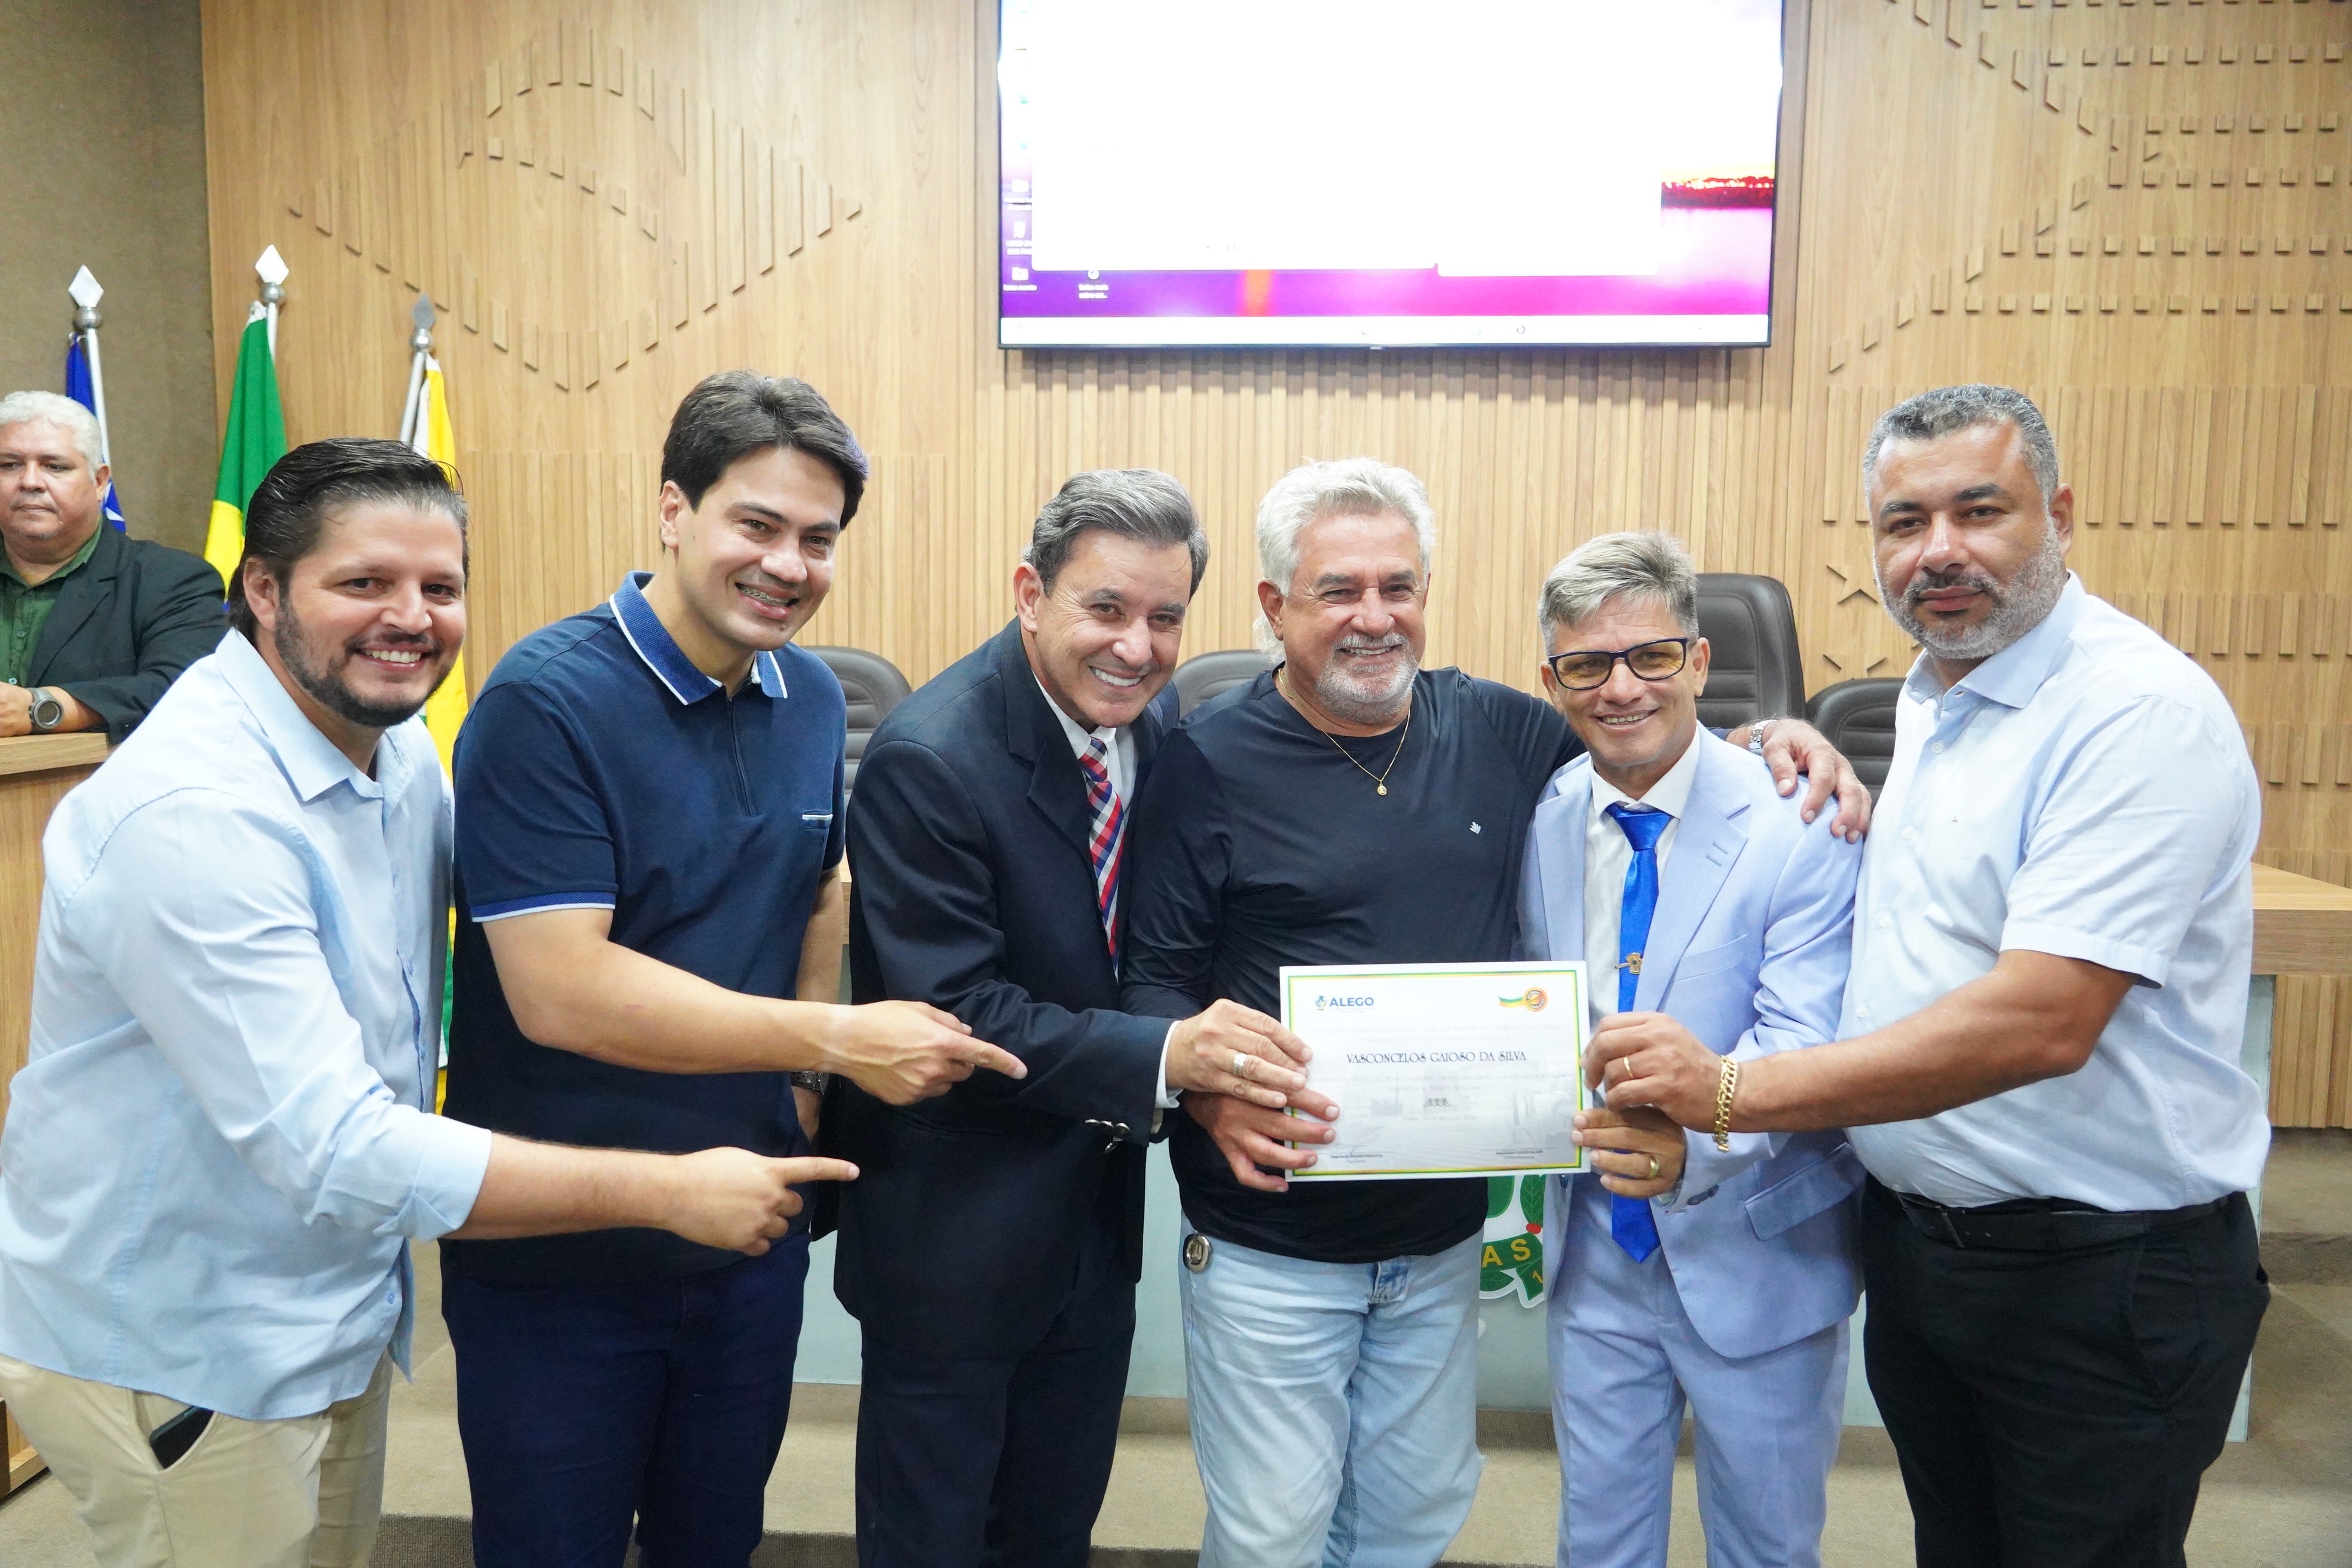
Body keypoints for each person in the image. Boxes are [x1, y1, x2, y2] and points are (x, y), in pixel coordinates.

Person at [0, 438, 852, 1568]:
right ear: (264, 590)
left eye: (439, 587)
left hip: (324, 1311)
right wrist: (667, 1188)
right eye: (364, 582)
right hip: (183, 1340)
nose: (409, 619)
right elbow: (336, 1144)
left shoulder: (394, 753)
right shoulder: (194, 812)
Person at [1117, 457, 1870, 1568]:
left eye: (1398, 586)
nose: (1375, 616)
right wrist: (1204, 1097)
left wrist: (1775, 736)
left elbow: (1650, 741)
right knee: (1273, 1534)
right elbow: (1154, 979)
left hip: (1437, 1243)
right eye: (1339, 590)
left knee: (1412, 1520)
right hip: (1271, 1237)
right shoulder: (1202, 758)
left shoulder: (1507, 737)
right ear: (1274, 605)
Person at [1591, 384, 2270, 1568]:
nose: (1937, 550)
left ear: (2060, 514)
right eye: (1904, 522)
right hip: (1927, 1259)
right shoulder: (1939, 697)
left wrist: (1731, 1091)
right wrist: (1767, 748)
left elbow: (2041, 1019)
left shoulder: (2133, 711)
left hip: (2099, 1281)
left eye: (1979, 510)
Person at [439, 371, 1019, 1568]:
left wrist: (798, 1088)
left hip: (744, 1233)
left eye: (818, 538)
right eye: (756, 524)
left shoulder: (811, 697)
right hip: (564, 1247)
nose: (788, 565)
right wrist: (835, 1040)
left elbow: (819, 889)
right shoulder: (545, 701)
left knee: (716, 1541)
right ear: (673, 509)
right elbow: (559, 990)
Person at [831, 469, 1327, 1568]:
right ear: (1030, 593)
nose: (1137, 647)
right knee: (930, 1543)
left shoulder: (1154, 722)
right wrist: (1172, 1053)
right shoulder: (929, 757)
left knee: (1053, 1534)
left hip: (1090, 1232)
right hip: (952, 1242)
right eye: (1106, 608)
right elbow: (960, 1014)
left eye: (1165, 618)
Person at [1521, 531, 1864, 1568]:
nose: (1622, 687)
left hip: (1759, 1243)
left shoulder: (1799, 818)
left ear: (1701, 661)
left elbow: (1808, 1038)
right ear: (1553, 680)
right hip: (1594, 1248)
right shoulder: (1542, 815)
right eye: (1588, 664)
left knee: (1765, 1546)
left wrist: (1701, 1138)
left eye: (1652, 655)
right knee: (1598, 1542)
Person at [0, 390, 223, 739]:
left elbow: (187, 689)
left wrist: (39, 708)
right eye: (9, 465)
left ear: (100, 482)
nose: (30, 482)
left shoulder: (171, 580)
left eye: (55, 466)